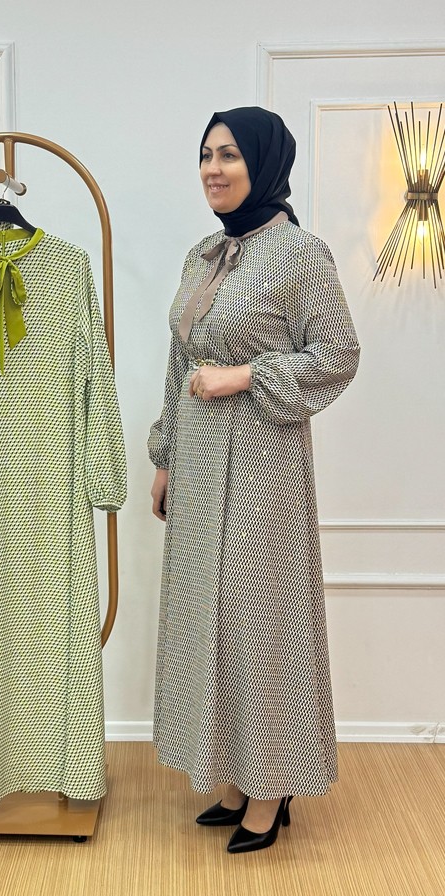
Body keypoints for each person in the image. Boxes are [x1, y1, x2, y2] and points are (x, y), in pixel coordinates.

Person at [148, 106, 360, 854]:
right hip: (199, 461)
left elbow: (338, 353)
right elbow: (179, 363)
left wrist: (243, 375)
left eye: (230, 155)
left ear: (265, 163)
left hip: (263, 465)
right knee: (211, 621)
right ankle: (238, 774)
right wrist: (165, 456)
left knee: (259, 622)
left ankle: (272, 788)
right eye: (206, 154)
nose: (213, 169)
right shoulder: (203, 254)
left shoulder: (301, 253)